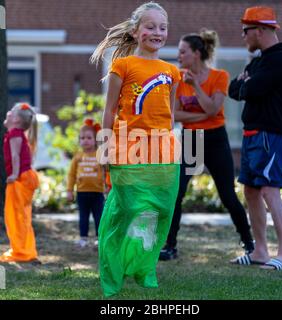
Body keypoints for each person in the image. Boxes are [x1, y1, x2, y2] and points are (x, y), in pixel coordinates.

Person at [90, 2, 181, 296]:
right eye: (150, 26)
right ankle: (113, 265)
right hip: (128, 147)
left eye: (162, 27)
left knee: (161, 210)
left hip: (163, 150)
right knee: (128, 209)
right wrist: (105, 146)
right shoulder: (123, 65)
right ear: (135, 30)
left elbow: (171, 113)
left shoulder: (172, 71)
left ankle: (144, 267)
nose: (157, 32)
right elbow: (109, 110)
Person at [159, 29, 254, 261]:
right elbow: (174, 115)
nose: (178, 56)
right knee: (176, 193)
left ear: (196, 54)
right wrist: (201, 115)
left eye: (183, 52)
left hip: (215, 139)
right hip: (191, 140)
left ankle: (249, 243)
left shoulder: (219, 76)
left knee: (227, 195)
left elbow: (213, 109)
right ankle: (170, 246)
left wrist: (196, 88)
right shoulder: (176, 78)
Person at [229, 6, 282, 270]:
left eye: (246, 30)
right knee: (251, 190)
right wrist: (246, 84)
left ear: (260, 30)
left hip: (269, 134)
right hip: (251, 133)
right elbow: (235, 89)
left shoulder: (281, 58)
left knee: (269, 189)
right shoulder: (258, 61)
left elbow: (253, 88)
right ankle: (260, 251)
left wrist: (247, 84)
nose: (243, 36)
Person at [0, 102, 39, 263]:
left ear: (15, 119)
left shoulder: (15, 134)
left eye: (11, 111)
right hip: (23, 178)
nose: (7, 112)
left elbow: (15, 156)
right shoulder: (15, 133)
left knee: (17, 216)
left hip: (20, 179)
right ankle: (21, 249)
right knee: (18, 216)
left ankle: (22, 251)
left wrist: (14, 174)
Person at [67, 119, 105, 248]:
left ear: (95, 140)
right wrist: (69, 190)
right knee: (83, 216)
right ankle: (83, 238)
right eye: (82, 138)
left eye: (89, 137)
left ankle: (99, 238)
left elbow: (106, 172)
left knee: (98, 216)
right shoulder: (77, 156)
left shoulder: (100, 155)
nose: (85, 140)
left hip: (97, 192)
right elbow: (71, 175)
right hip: (82, 192)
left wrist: (108, 186)